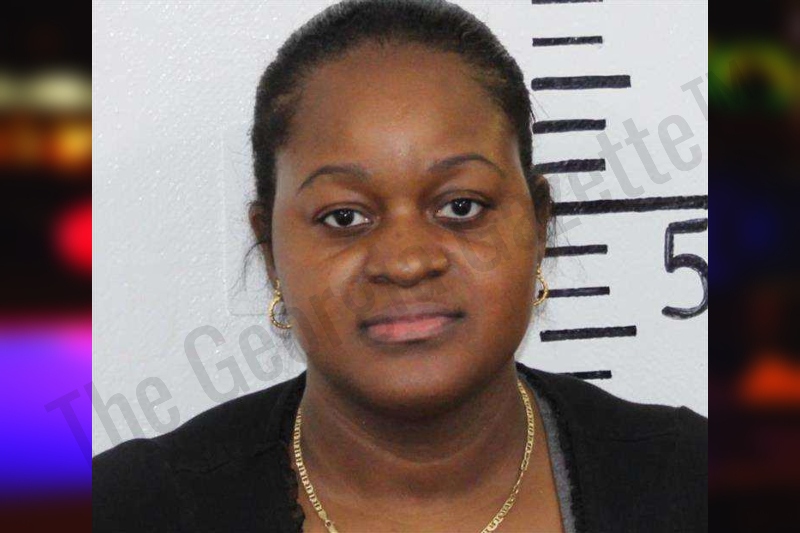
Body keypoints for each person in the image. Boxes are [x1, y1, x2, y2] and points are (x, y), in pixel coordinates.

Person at [92, 1, 707, 531]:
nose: (408, 262)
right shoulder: (127, 509)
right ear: (272, 252)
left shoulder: (691, 483)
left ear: (539, 227)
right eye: (344, 217)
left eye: (461, 206)